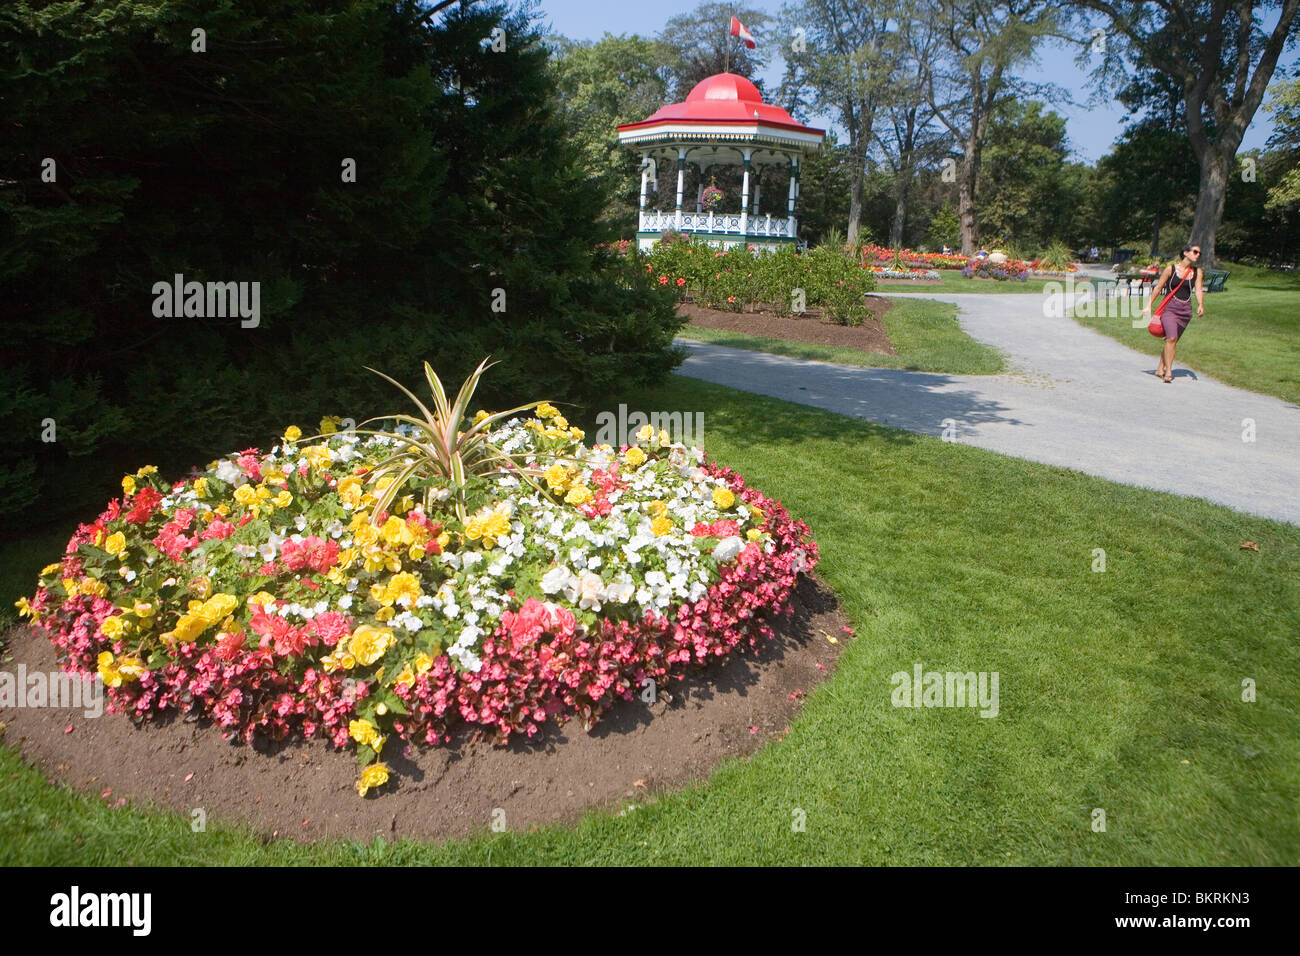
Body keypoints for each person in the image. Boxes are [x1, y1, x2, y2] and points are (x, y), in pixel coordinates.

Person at [1141, 244, 1204, 383]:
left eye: (1199, 253)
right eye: (1195, 252)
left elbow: (1198, 290)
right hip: (1170, 309)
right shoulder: (1171, 269)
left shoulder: (1197, 272)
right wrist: (1148, 306)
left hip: (1185, 311)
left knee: (1172, 341)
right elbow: (1158, 287)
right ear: (1186, 252)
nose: (1198, 255)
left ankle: (1160, 368)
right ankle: (1168, 372)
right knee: (1171, 338)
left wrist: (1200, 304)